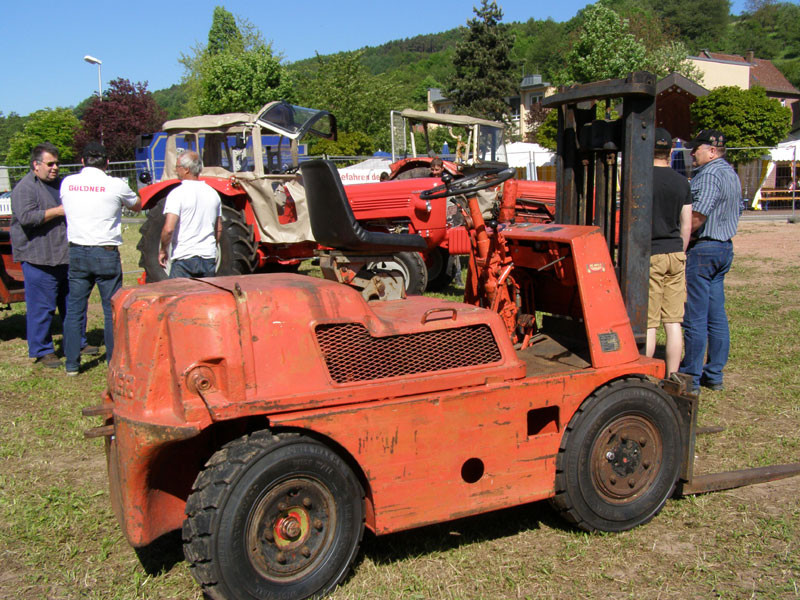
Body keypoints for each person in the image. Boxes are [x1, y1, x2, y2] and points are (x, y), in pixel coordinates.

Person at [10, 143, 95, 368]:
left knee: (73, 304)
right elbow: (26, 217)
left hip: (66, 256)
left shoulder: (63, 184)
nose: (55, 167)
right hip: (38, 258)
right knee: (42, 308)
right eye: (50, 163)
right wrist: (59, 211)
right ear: (36, 165)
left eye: (57, 163)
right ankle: (43, 350)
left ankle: (76, 343)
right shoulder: (25, 188)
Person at [60, 142, 142, 375]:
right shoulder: (115, 184)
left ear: (83, 161)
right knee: (111, 309)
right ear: (107, 163)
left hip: (77, 250)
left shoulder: (68, 183)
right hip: (105, 251)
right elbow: (137, 206)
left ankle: (72, 364)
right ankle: (113, 361)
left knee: (75, 308)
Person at [679, 130, 742, 392]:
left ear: (712, 151)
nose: (692, 153)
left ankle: (690, 377)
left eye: (697, 148)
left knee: (695, 315)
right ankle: (714, 374)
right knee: (716, 316)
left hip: (703, 249)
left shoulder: (709, 175)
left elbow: (698, 215)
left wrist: (679, 239)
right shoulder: (730, 173)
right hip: (723, 248)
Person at [645, 129, 692, 376]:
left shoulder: (641, 180)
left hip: (651, 255)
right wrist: (679, 250)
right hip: (675, 253)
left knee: (650, 324)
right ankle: (673, 376)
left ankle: (645, 377)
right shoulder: (681, 181)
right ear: (670, 151)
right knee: (673, 323)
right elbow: (686, 224)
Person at [159, 151, 222, 278]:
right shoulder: (213, 193)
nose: (176, 170)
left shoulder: (177, 194)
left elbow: (169, 229)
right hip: (208, 257)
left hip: (184, 257)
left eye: (178, 167)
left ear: (186, 169)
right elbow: (219, 228)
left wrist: (163, 250)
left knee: (179, 297)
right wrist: (210, 246)